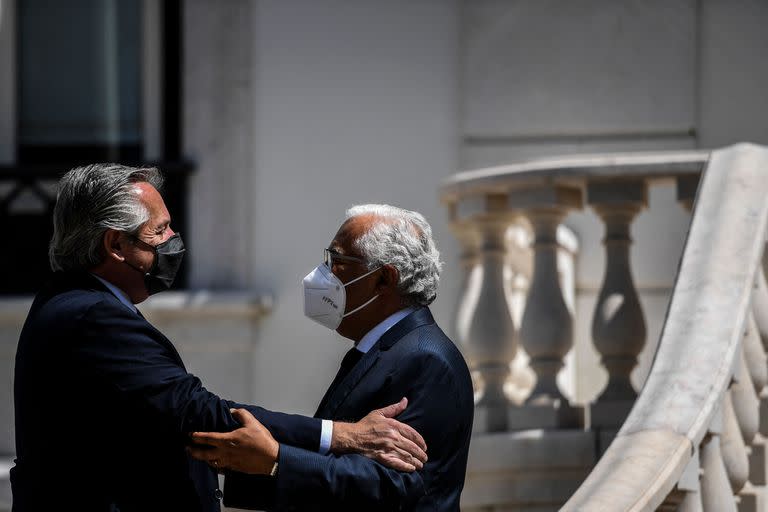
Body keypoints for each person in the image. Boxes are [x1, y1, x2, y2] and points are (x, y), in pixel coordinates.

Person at [11, 165, 427, 512]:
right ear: (116, 244)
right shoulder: (91, 315)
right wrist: (342, 436)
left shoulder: (73, 304)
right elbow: (195, 412)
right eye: (161, 230)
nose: (174, 241)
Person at [189, 204, 474, 511]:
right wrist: (242, 458)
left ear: (383, 279)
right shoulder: (383, 349)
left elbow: (394, 486)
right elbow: (337, 464)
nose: (323, 273)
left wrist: (278, 461)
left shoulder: (425, 359)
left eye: (337, 260)